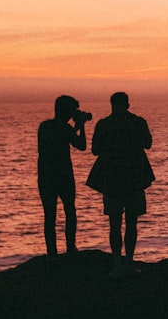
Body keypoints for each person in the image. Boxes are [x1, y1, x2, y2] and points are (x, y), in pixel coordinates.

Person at [86, 92, 154, 277]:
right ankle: (129, 262)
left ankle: (117, 264)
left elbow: (95, 150)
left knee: (114, 223)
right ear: (128, 104)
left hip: (112, 179)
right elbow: (148, 144)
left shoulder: (104, 124)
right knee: (132, 223)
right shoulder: (138, 122)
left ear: (112, 104)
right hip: (134, 177)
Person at [37, 95, 89, 261]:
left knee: (49, 215)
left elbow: (61, 136)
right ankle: (71, 247)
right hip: (64, 175)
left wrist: (74, 127)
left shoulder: (44, 126)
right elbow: (81, 145)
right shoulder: (65, 128)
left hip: (45, 176)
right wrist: (81, 126)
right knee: (70, 212)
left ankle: (52, 253)